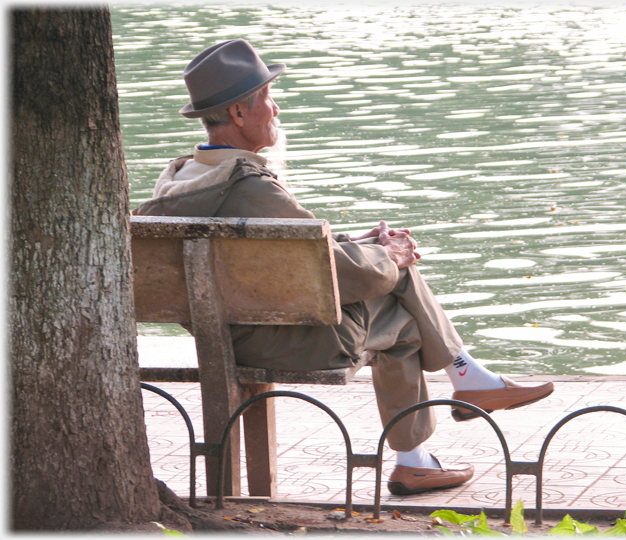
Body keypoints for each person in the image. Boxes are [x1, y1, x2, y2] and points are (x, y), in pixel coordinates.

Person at [133, 39, 554, 496]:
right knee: (403, 305)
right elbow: (337, 276)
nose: (275, 110)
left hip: (228, 331)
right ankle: (454, 398)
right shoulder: (250, 187)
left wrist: (366, 244)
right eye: (269, 99)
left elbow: (294, 254)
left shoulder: (180, 180)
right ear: (238, 113)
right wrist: (390, 255)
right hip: (280, 342)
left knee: (392, 277)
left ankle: (458, 397)